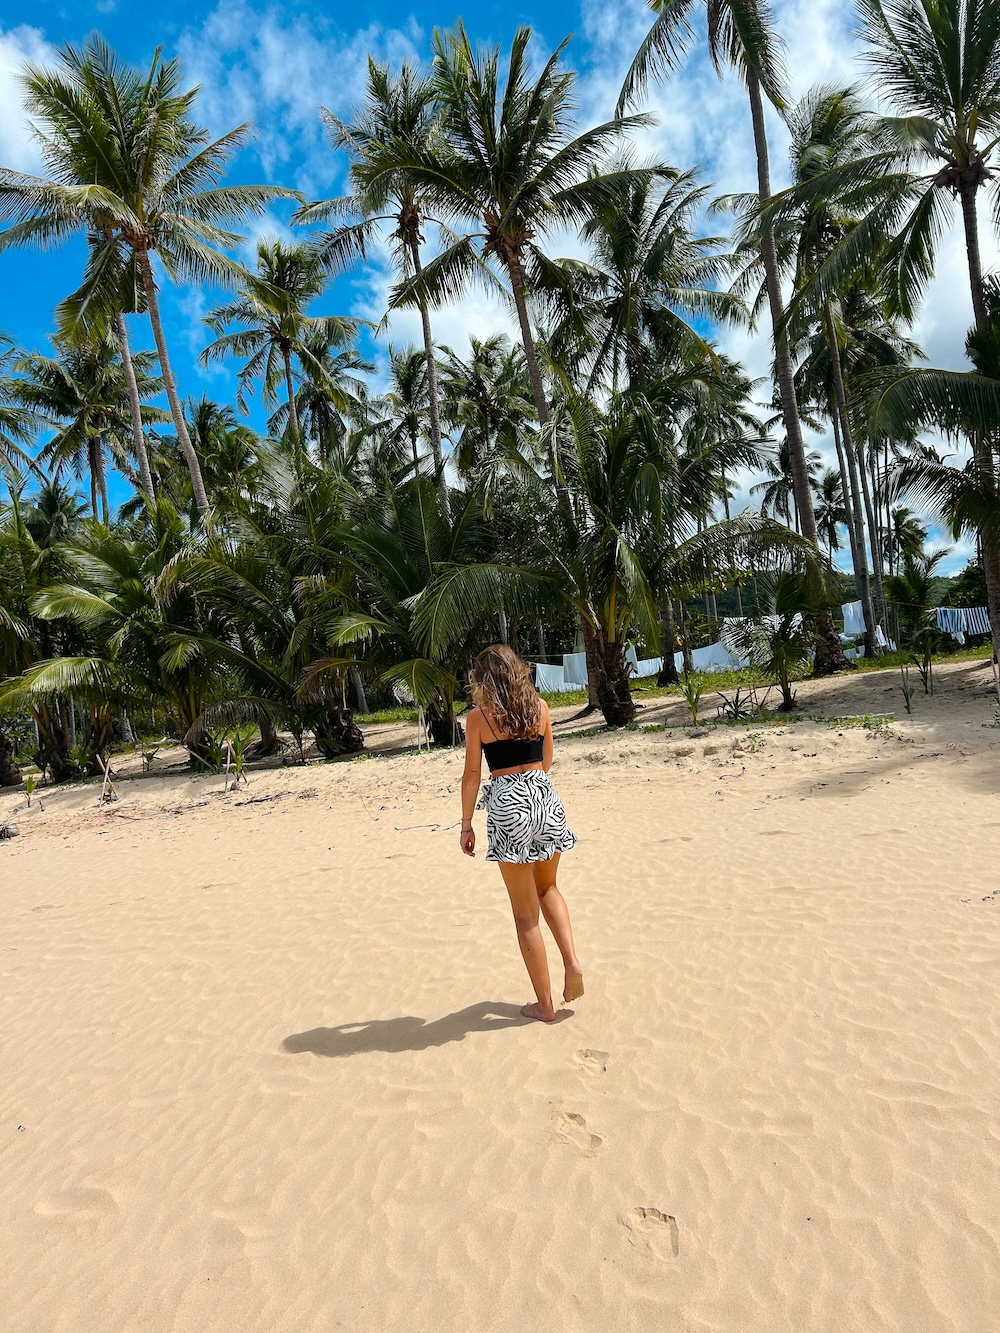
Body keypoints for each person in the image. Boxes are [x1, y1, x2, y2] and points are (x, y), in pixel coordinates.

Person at [460, 644, 583, 1023]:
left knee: (525, 914)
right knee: (548, 888)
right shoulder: (541, 708)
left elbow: (472, 776)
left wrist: (466, 825)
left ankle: (545, 1005)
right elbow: (546, 761)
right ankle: (572, 961)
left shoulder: (479, 719)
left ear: (482, 680)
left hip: (508, 804)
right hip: (545, 798)